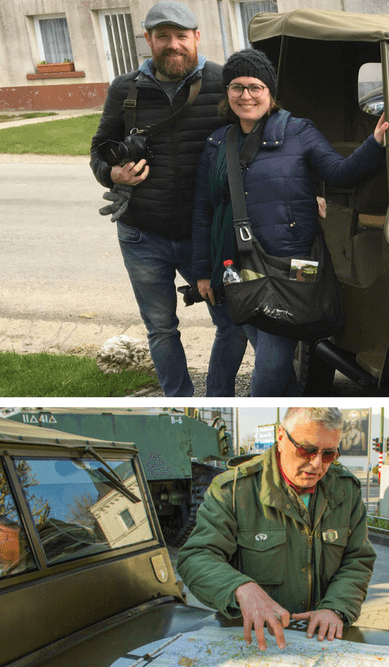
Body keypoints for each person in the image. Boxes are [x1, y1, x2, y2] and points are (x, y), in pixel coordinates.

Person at [192, 49, 387, 397]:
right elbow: (204, 210)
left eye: (255, 86)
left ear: (270, 91)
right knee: (274, 365)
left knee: (270, 364)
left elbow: (341, 174)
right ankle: (299, 417)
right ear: (227, 93)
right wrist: (203, 271)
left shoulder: (299, 131)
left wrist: (375, 144)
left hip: (291, 267)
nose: (246, 95)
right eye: (236, 87)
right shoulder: (218, 143)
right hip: (237, 266)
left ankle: (258, 424)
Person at [90, 1, 227, 397]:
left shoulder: (223, 81)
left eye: (181, 36)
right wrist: (111, 173)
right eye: (163, 36)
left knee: (230, 322)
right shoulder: (124, 88)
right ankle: (179, 403)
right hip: (141, 234)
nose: (173, 45)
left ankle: (218, 398)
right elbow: (99, 148)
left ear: (196, 37)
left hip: (203, 233)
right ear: (148, 40)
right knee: (161, 328)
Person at [176, 407, 376, 651]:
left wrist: (336, 607)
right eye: (307, 450)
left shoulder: (346, 491)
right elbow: (196, 557)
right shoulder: (235, 490)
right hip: (252, 640)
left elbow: (357, 559)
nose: (316, 464)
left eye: (328, 454)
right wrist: (240, 588)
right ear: (281, 437)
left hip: (322, 640)